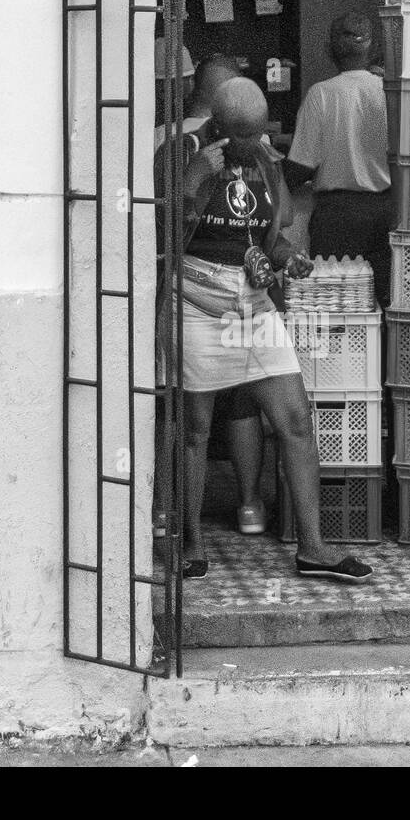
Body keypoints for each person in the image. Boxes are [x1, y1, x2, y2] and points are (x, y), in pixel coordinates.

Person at [162, 77, 375, 582]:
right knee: (195, 430)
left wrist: (289, 258)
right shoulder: (182, 152)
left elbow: (272, 236)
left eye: (257, 134)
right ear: (217, 124)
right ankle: (191, 542)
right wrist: (193, 179)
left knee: (296, 421)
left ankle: (314, 548)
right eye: (240, 135)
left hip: (252, 310)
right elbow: (161, 229)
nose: (251, 144)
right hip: (198, 305)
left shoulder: (262, 160)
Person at [153, 55, 270, 538]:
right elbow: (274, 220)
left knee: (176, 405)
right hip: (209, 288)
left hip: (188, 287)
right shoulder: (250, 146)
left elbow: (153, 215)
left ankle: (164, 511)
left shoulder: (162, 135)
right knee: (238, 401)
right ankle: (248, 506)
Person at [284, 11, 393, 311]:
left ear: (330, 49)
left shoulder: (321, 95)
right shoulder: (389, 91)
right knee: (387, 300)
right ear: (372, 48)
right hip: (387, 211)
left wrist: (269, 175)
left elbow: (300, 166)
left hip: (337, 217)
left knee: (337, 307)